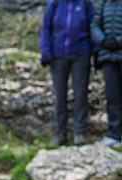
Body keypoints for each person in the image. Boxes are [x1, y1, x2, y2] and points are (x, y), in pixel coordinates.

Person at [40, 0, 96, 146]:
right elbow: (45, 28)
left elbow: (93, 27)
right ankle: (60, 133)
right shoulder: (55, 4)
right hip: (58, 57)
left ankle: (79, 133)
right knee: (60, 96)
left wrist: (97, 53)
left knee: (81, 95)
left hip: (81, 56)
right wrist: (45, 51)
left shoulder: (86, 4)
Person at [92, 0, 122, 147]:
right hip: (108, 58)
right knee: (112, 96)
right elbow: (95, 25)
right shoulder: (104, 4)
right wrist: (102, 40)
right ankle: (114, 135)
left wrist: (118, 41)